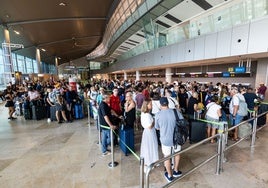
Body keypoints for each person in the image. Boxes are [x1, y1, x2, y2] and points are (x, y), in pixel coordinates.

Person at [155, 97, 183, 182]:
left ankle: (170, 176)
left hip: (165, 139)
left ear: (160, 104)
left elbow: (157, 128)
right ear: (168, 103)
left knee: (166, 157)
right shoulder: (175, 111)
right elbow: (182, 122)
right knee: (177, 154)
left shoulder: (158, 115)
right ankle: (176, 170)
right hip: (177, 138)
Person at [140, 99, 159, 168]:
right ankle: (149, 161)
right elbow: (150, 126)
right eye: (150, 104)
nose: (152, 105)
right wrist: (154, 120)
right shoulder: (147, 115)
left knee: (148, 147)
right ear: (146, 105)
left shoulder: (143, 113)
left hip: (147, 132)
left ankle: (150, 161)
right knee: (151, 146)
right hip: (150, 132)